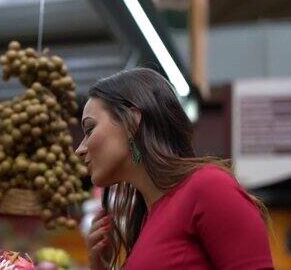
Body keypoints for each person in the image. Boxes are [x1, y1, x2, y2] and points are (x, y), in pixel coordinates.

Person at [75, 68, 273, 270]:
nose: (79, 150)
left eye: (90, 129)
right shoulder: (145, 221)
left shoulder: (209, 187)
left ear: (132, 122)